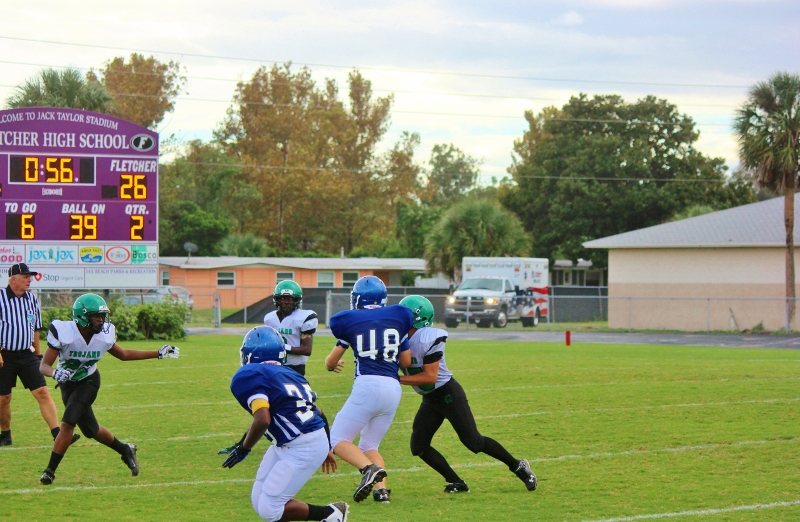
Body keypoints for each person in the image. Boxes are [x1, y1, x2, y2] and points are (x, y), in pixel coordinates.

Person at [398, 295, 538, 493]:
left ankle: (519, 466)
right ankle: (457, 482)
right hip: (430, 398)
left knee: (474, 442)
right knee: (419, 446)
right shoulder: (399, 338)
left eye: (404, 317)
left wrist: (396, 378)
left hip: (448, 394)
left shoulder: (426, 338)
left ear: (417, 320)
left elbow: (430, 377)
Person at [38, 293, 180, 485]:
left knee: (68, 423)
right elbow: (44, 366)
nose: (101, 320)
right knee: (91, 430)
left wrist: (158, 353)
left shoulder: (103, 336)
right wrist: (55, 373)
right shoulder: (65, 332)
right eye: (96, 316)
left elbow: (124, 354)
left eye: (102, 315)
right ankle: (125, 449)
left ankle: (49, 472)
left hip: (89, 381)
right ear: (82, 317)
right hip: (67, 384)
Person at [221, 325, 348, 522]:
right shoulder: (291, 374)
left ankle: (332, 514)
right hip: (298, 441)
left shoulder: (249, 374)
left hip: (303, 445)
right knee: (258, 499)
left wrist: (244, 449)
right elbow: (319, 413)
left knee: (269, 509)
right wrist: (327, 447)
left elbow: (263, 419)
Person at [324, 275, 413, 504]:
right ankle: (381, 492)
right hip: (393, 388)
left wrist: (333, 366)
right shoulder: (398, 318)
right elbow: (406, 362)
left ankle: (368, 469)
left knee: (336, 439)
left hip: (367, 385)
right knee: (369, 445)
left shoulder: (352, 321)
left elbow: (330, 362)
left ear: (357, 299)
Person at [0, 262, 78, 447]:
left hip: (28, 354)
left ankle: (59, 435)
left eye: (30, 277)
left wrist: (39, 356)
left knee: (42, 392)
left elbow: (35, 329)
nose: (29, 280)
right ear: (13, 279)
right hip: (4, 355)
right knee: (3, 398)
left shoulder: (32, 299)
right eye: (26, 277)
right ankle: (5, 435)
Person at [263, 280, 318, 376]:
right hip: (275, 365)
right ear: (277, 300)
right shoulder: (269, 319)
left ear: (297, 300)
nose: (287, 302)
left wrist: (283, 347)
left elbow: (307, 350)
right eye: (283, 298)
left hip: (295, 367)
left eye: (291, 299)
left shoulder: (304, 318)